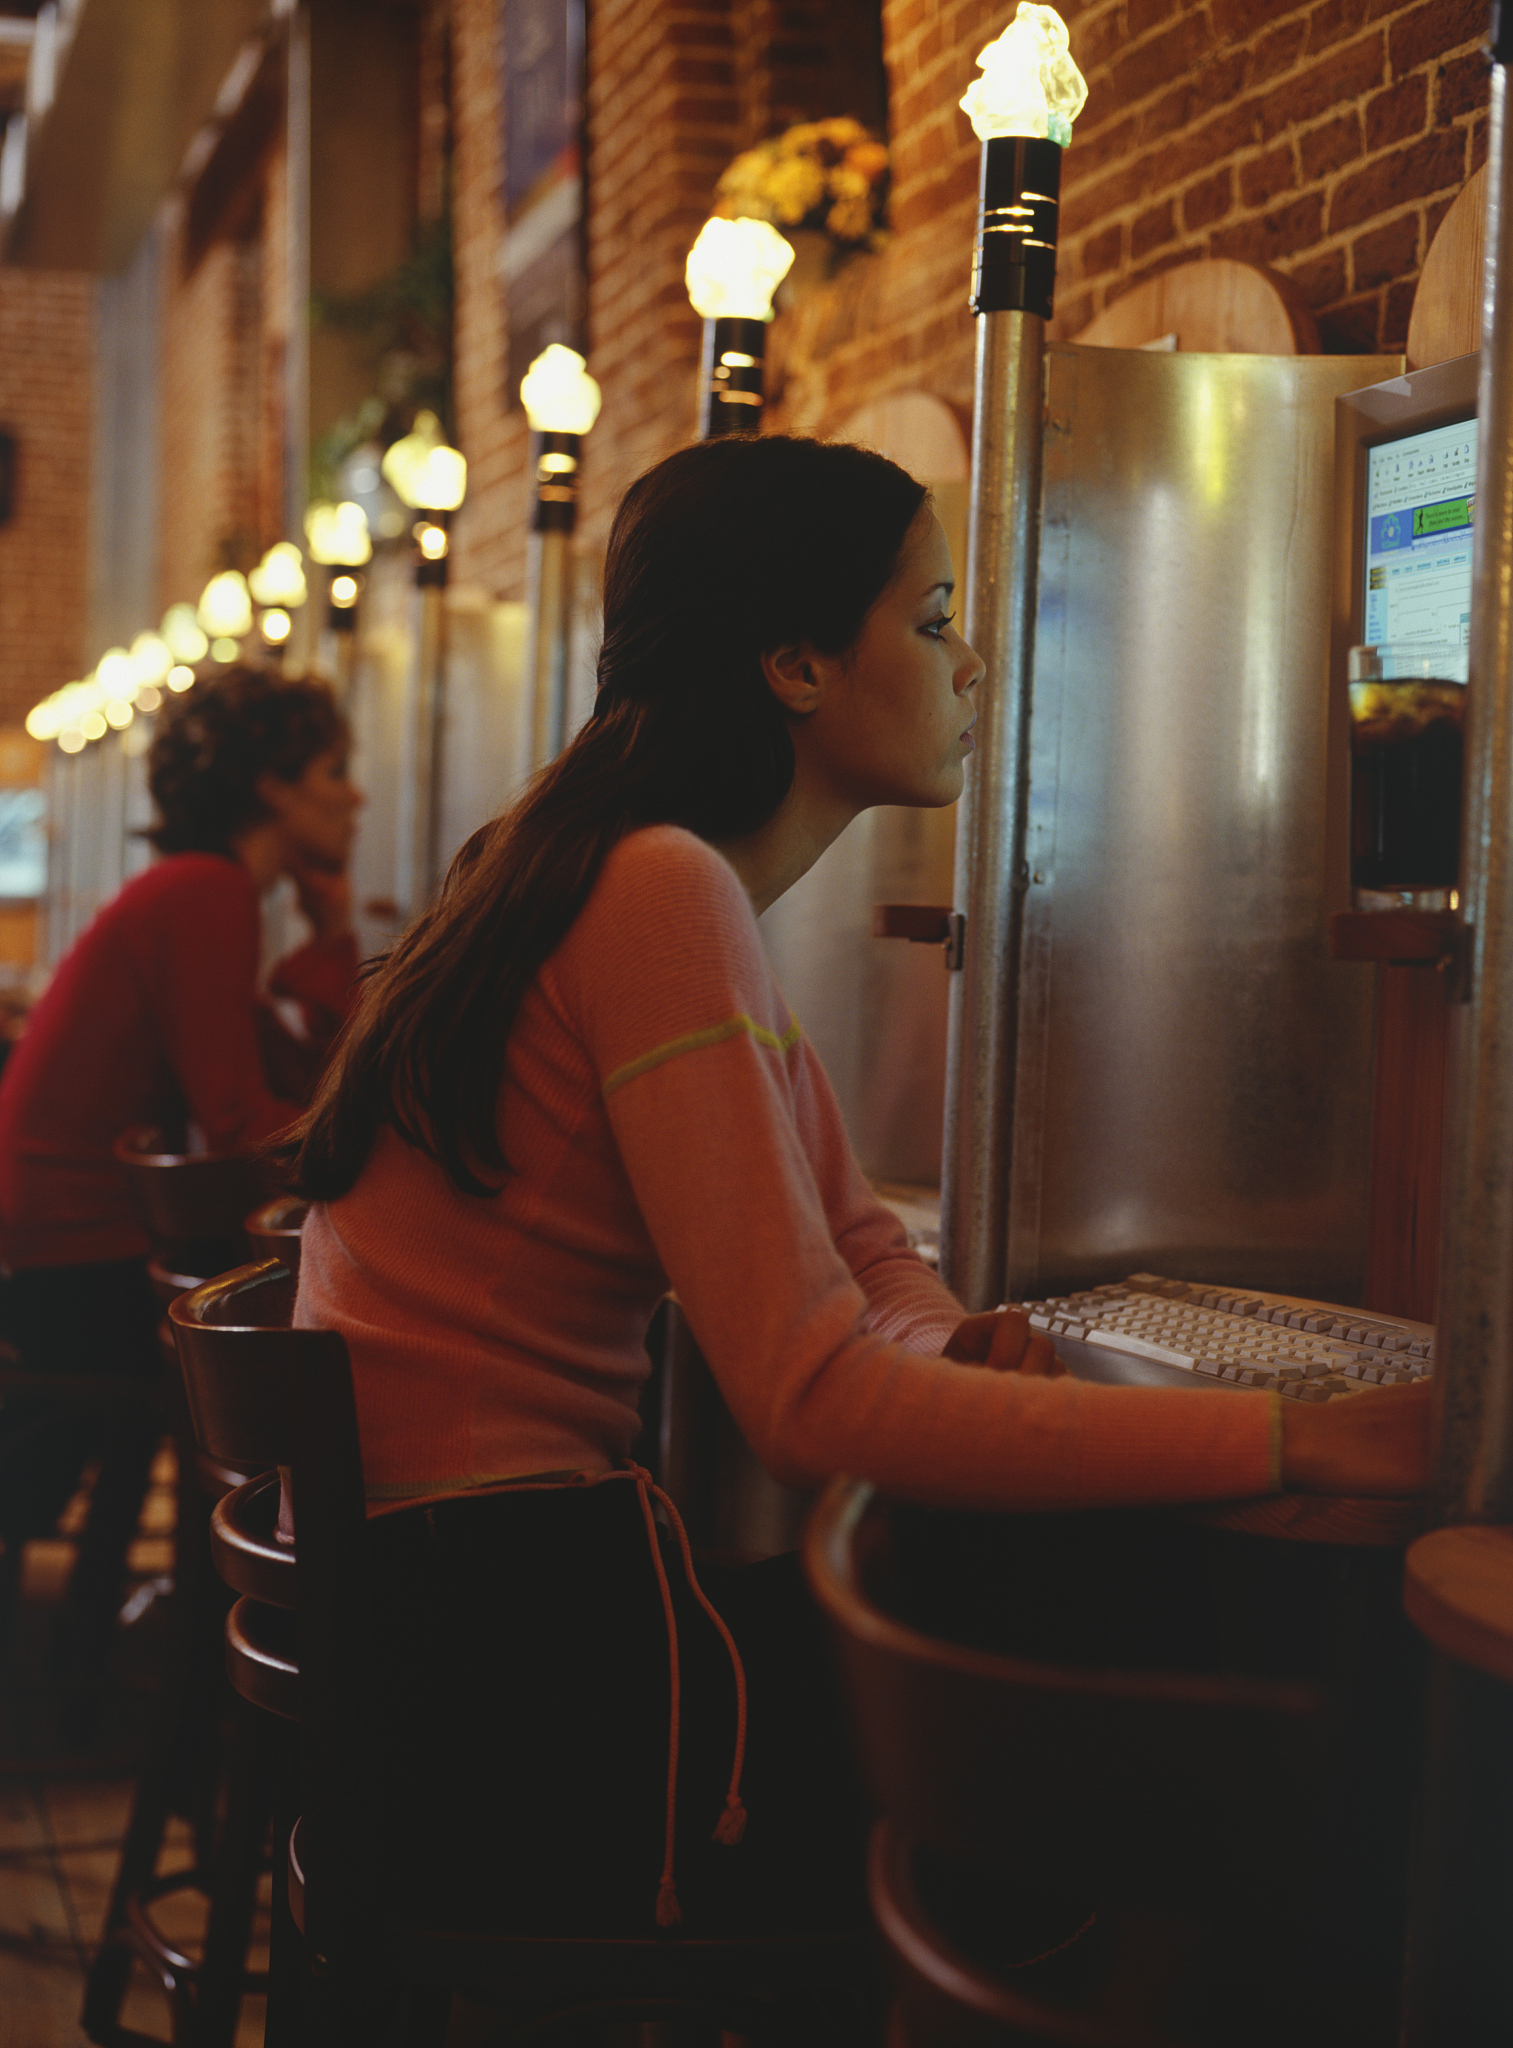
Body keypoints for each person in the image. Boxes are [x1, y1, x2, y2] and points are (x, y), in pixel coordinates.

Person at [289, 436, 1428, 1950]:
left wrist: (947, 1345)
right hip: (515, 1689)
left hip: (449, 1634)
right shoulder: (658, 893)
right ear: (796, 664)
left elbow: (863, 1249)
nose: (970, 665)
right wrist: (1303, 1434)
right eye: (934, 616)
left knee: (1041, 1607)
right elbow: (809, 1402)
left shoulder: (602, 866)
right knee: (1126, 1659)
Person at [0, 664, 362, 1705]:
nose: (356, 797)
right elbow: (244, 1119)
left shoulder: (196, 890)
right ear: (271, 787)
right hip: (75, 1256)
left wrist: (332, 932)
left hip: (65, 1248)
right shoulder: (205, 892)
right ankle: (223, 1668)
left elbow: (300, 1087)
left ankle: (148, 1653)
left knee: (255, 1373)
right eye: (333, 771)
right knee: (294, 1390)